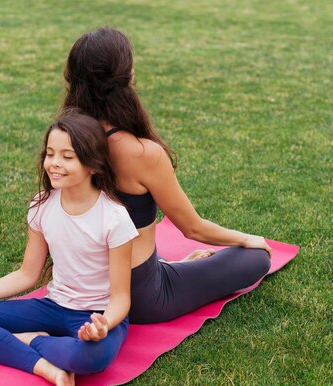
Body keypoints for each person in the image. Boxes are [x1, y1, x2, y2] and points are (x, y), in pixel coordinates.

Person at [61, 28, 272, 324]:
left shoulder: (64, 141)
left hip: (82, 290)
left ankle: (170, 268)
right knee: (257, 258)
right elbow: (193, 229)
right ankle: (170, 270)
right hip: (142, 298)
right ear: (128, 77)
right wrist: (248, 238)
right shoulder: (140, 153)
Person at [0, 110, 138, 386]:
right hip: (53, 306)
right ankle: (45, 367)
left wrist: (102, 327)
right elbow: (28, 273)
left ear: (93, 164)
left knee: (89, 359)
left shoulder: (114, 218)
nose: (54, 163)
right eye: (50, 153)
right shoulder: (43, 205)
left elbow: (121, 299)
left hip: (97, 315)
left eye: (68, 156)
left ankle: (31, 340)